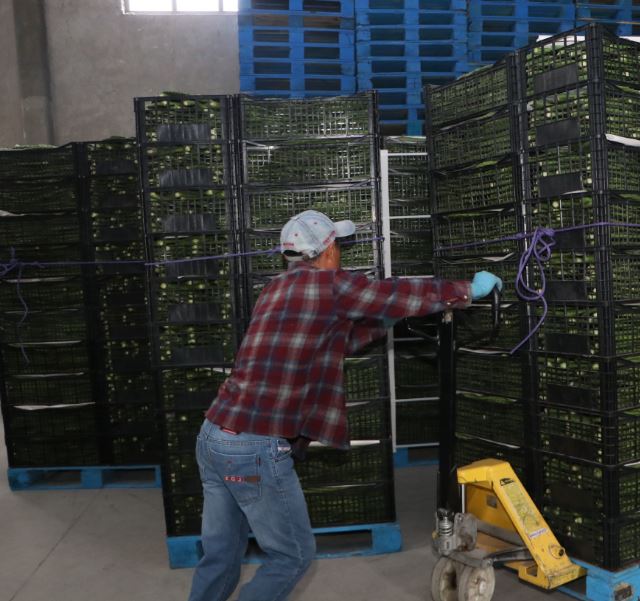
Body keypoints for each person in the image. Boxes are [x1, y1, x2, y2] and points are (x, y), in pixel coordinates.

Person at [188, 209, 502, 601]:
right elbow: (397, 292)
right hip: (253, 449)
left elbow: (329, 341)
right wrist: (467, 290)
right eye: (338, 244)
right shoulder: (332, 286)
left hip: (214, 435)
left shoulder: (275, 289)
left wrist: (383, 323)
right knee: (293, 555)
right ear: (327, 249)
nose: (340, 253)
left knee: (220, 555)